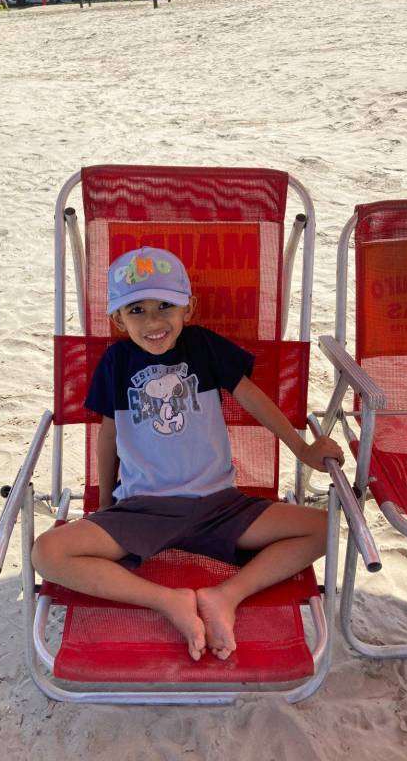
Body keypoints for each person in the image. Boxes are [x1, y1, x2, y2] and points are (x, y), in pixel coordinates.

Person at [32, 247, 344, 662]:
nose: (153, 321)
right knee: (46, 552)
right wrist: (105, 503)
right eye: (137, 310)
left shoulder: (203, 346)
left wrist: (302, 449)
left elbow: (253, 399)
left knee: (325, 526)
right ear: (118, 320)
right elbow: (109, 434)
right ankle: (167, 600)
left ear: (188, 308)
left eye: (165, 306)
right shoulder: (116, 361)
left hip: (220, 506)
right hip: (143, 510)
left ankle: (226, 595)